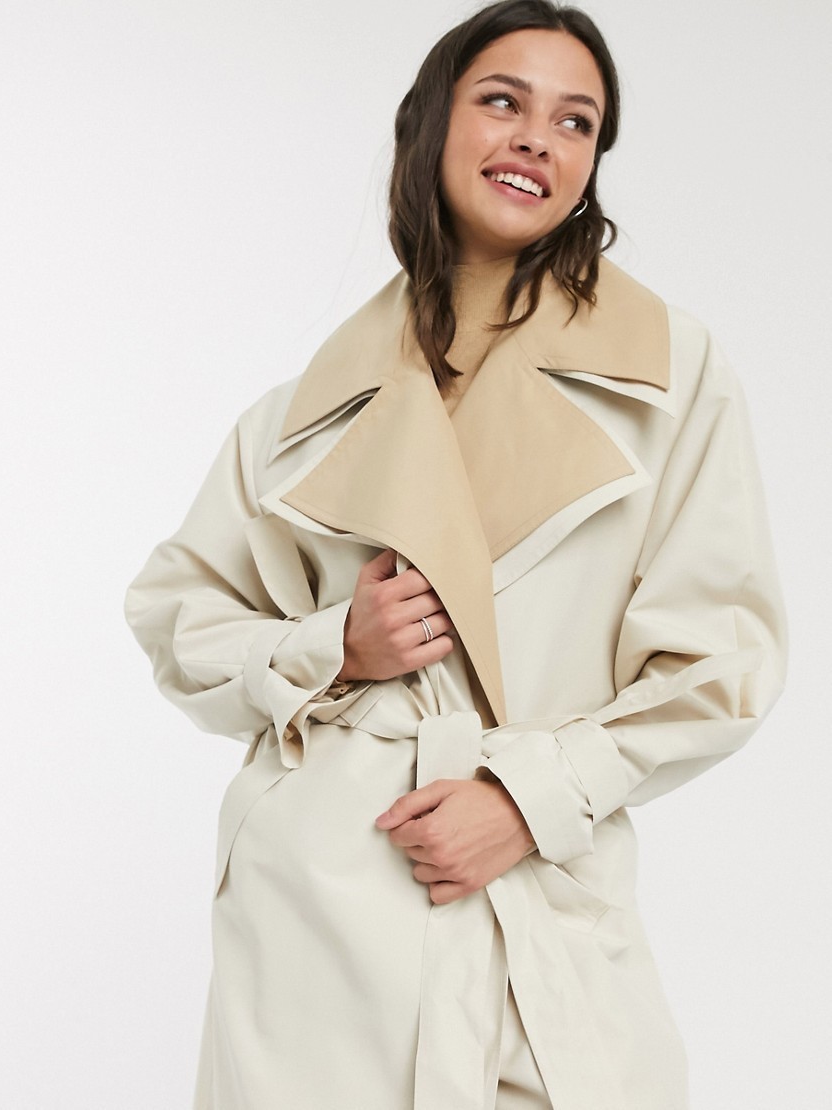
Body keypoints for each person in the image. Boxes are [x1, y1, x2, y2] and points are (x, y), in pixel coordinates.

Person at [125, 1, 786, 1106]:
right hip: (319, 915)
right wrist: (334, 646)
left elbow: (722, 660)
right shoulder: (297, 416)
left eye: (576, 122)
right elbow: (177, 617)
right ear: (431, 122)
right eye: (503, 101)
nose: (538, 138)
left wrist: (527, 802)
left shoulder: (672, 378)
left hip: (531, 891)